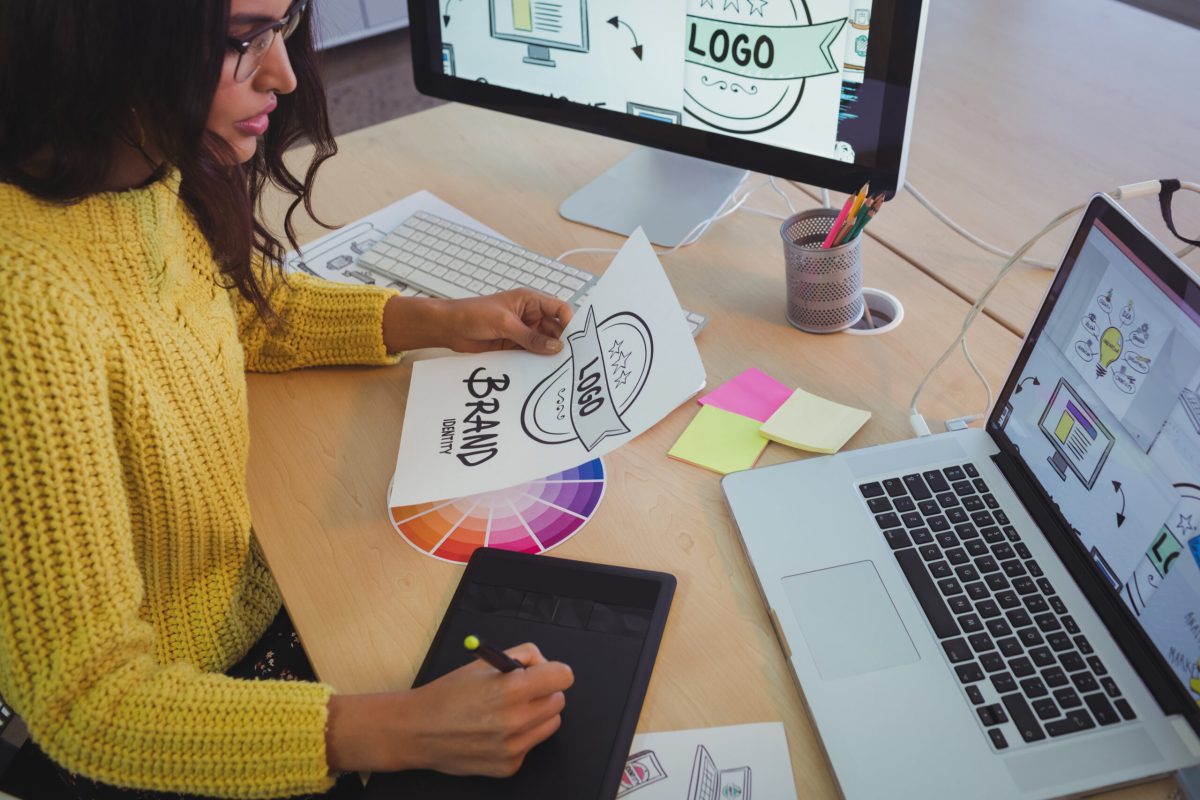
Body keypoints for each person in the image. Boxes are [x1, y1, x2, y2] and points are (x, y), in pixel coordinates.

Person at [0, 1, 576, 797]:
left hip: (256, 603)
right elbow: (89, 704)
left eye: (284, 25)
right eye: (242, 40)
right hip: (176, 714)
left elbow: (237, 312)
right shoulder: (25, 302)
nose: (285, 74)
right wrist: (408, 730)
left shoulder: (137, 170)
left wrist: (441, 320)